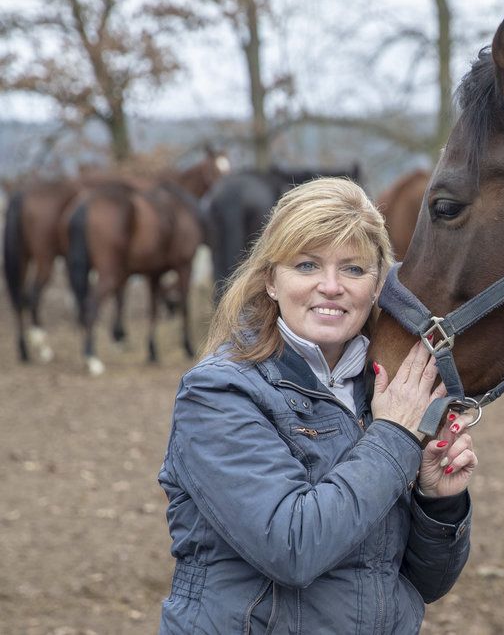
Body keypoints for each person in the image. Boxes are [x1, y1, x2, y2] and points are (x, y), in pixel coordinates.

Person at [158, 177, 477, 633]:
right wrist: (395, 438)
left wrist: (438, 501)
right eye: (307, 265)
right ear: (270, 280)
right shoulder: (218, 394)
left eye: (353, 269)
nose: (331, 286)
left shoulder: (383, 391)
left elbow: (425, 583)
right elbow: (291, 548)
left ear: (379, 285)